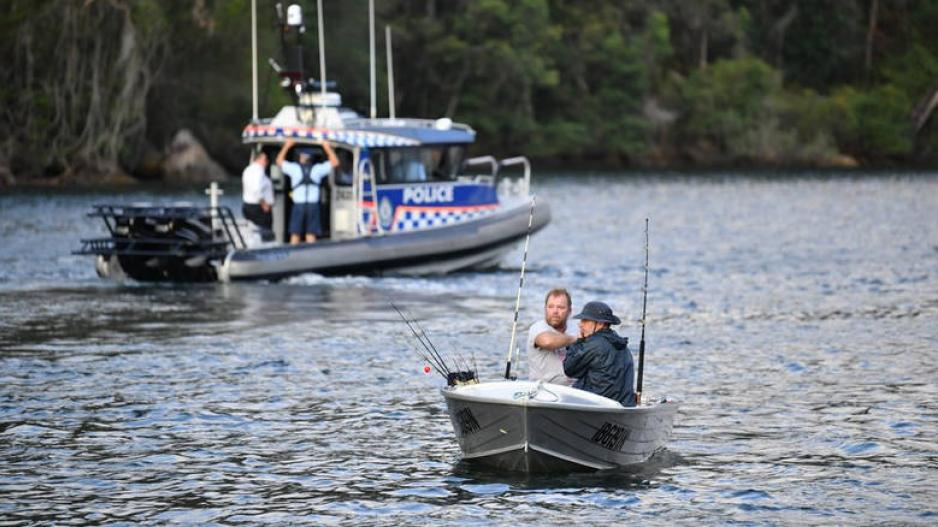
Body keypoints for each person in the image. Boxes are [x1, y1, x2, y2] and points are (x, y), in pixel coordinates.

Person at [562, 301, 636, 407]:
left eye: (585, 320)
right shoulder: (621, 344)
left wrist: (578, 342)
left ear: (600, 323)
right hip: (622, 406)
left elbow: (569, 369)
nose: (580, 324)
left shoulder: (595, 344)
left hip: (598, 406)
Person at [276, 139, 339, 244]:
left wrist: (287, 145)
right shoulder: (318, 169)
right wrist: (326, 147)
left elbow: (278, 161)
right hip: (313, 206)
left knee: (295, 233)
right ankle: (311, 256)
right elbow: (335, 162)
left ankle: (293, 256)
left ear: (300, 157)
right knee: (311, 233)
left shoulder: (294, 168)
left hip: (298, 206)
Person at [526, 288, 578, 385]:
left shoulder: (576, 328)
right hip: (543, 388)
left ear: (569, 311)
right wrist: (575, 339)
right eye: (550, 307)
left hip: (574, 389)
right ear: (545, 309)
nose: (555, 311)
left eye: (560, 307)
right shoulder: (537, 328)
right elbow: (548, 342)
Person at [241, 150, 274, 239]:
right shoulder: (258, 171)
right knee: (263, 233)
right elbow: (257, 189)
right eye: (265, 160)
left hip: (247, 205)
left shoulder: (247, 169)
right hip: (258, 208)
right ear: (259, 159)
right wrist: (264, 204)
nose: (267, 162)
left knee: (253, 232)